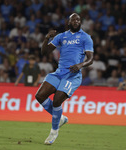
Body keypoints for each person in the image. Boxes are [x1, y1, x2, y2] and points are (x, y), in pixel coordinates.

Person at [35, 13, 94, 145]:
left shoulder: (86, 37)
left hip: (73, 76)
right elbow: (44, 52)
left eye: (78, 19)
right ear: (68, 22)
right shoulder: (62, 36)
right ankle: (60, 118)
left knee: (57, 100)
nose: (76, 21)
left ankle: (54, 131)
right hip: (59, 73)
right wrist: (47, 38)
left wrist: (80, 65)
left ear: (80, 22)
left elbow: (90, 59)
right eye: (73, 19)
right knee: (39, 96)